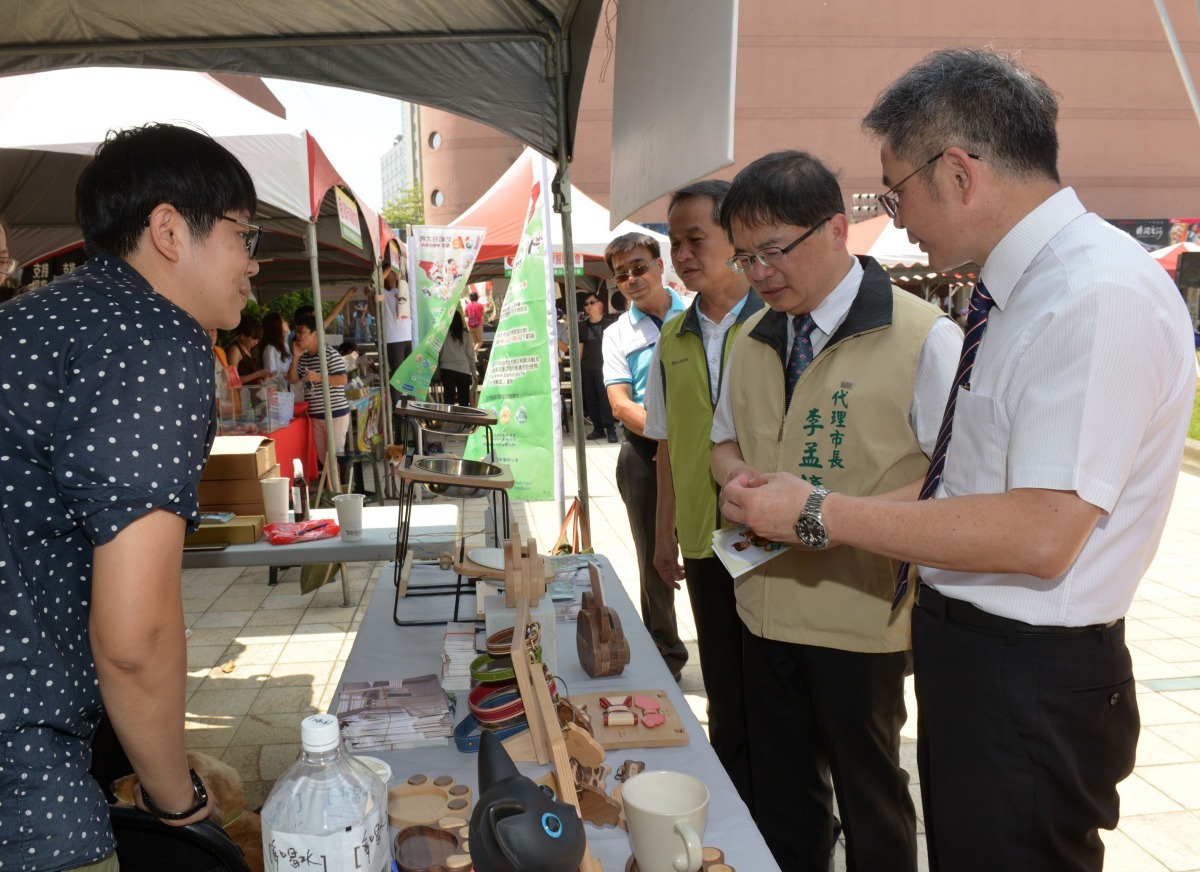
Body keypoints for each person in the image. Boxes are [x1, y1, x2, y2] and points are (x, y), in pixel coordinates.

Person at [720, 49, 1197, 872]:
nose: (897, 217)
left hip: (1028, 673)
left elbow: (1042, 531)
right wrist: (820, 512)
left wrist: (818, 511)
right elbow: (965, 479)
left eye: (895, 191)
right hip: (973, 654)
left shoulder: (1093, 295)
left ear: (958, 172)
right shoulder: (1017, 292)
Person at [0, 124, 260, 870]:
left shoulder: (35, 318)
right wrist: (173, 797)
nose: (253, 263)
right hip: (23, 759)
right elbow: (135, 638)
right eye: (246, 234)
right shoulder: (152, 334)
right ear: (171, 230)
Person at [709, 150, 962, 871]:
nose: (758, 273)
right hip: (762, 604)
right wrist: (735, 484)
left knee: (871, 794)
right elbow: (723, 442)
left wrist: (823, 512)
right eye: (745, 257)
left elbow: (959, 485)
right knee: (784, 794)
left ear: (833, 228)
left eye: (773, 251)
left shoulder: (924, 339)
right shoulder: (749, 334)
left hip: (862, 618)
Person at [641, 180, 762, 807]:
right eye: (675, 242)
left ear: (734, 238)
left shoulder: (776, 322)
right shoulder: (673, 336)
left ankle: (792, 813)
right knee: (721, 681)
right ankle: (735, 803)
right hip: (705, 539)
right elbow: (663, 444)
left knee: (774, 685)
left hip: (771, 538)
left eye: (696, 239)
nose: (684, 255)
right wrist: (664, 534)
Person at [601, 232, 690, 680]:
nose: (632, 279)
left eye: (639, 267)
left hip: (702, 451)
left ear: (660, 264)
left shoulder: (699, 314)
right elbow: (620, 403)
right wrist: (668, 435)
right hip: (643, 453)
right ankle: (665, 653)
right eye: (622, 274)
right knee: (653, 558)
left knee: (714, 552)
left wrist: (688, 439)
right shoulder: (618, 333)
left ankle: (725, 646)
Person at [290, 313, 350, 470]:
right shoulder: (303, 358)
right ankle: (333, 489)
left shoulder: (329, 354)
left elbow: (343, 380)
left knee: (335, 456)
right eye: (296, 332)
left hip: (335, 414)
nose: (297, 336)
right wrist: (295, 357)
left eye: (301, 332)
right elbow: (292, 379)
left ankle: (339, 490)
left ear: (314, 333)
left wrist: (319, 377)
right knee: (323, 457)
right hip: (316, 416)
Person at [577, 290, 618, 442]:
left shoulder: (610, 324)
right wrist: (578, 370)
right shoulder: (582, 327)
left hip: (606, 368)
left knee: (605, 400)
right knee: (591, 400)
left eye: (592, 302)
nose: (589, 306)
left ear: (600, 304)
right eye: (586, 304)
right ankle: (598, 429)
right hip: (587, 368)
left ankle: (610, 429)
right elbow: (579, 350)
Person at [437, 309, 477, 407]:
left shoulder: (443, 336)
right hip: (463, 369)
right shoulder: (466, 336)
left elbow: (439, 352)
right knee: (463, 400)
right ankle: (464, 421)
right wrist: (474, 372)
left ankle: (449, 421)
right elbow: (471, 356)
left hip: (446, 369)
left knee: (449, 400)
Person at [225, 313, 272, 384]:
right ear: (243, 336)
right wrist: (258, 374)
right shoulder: (235, 350)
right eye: (254, 339)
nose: (256, 342)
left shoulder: (248, 347)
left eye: (258, 339)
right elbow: (232, 379)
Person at [260, 311, 292, 375]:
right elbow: (270, 374)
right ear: (276, 326)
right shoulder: (271, 348)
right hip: (279, 384)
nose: (286, 323)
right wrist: (289, 375)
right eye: (282, 321)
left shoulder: (284, 345)